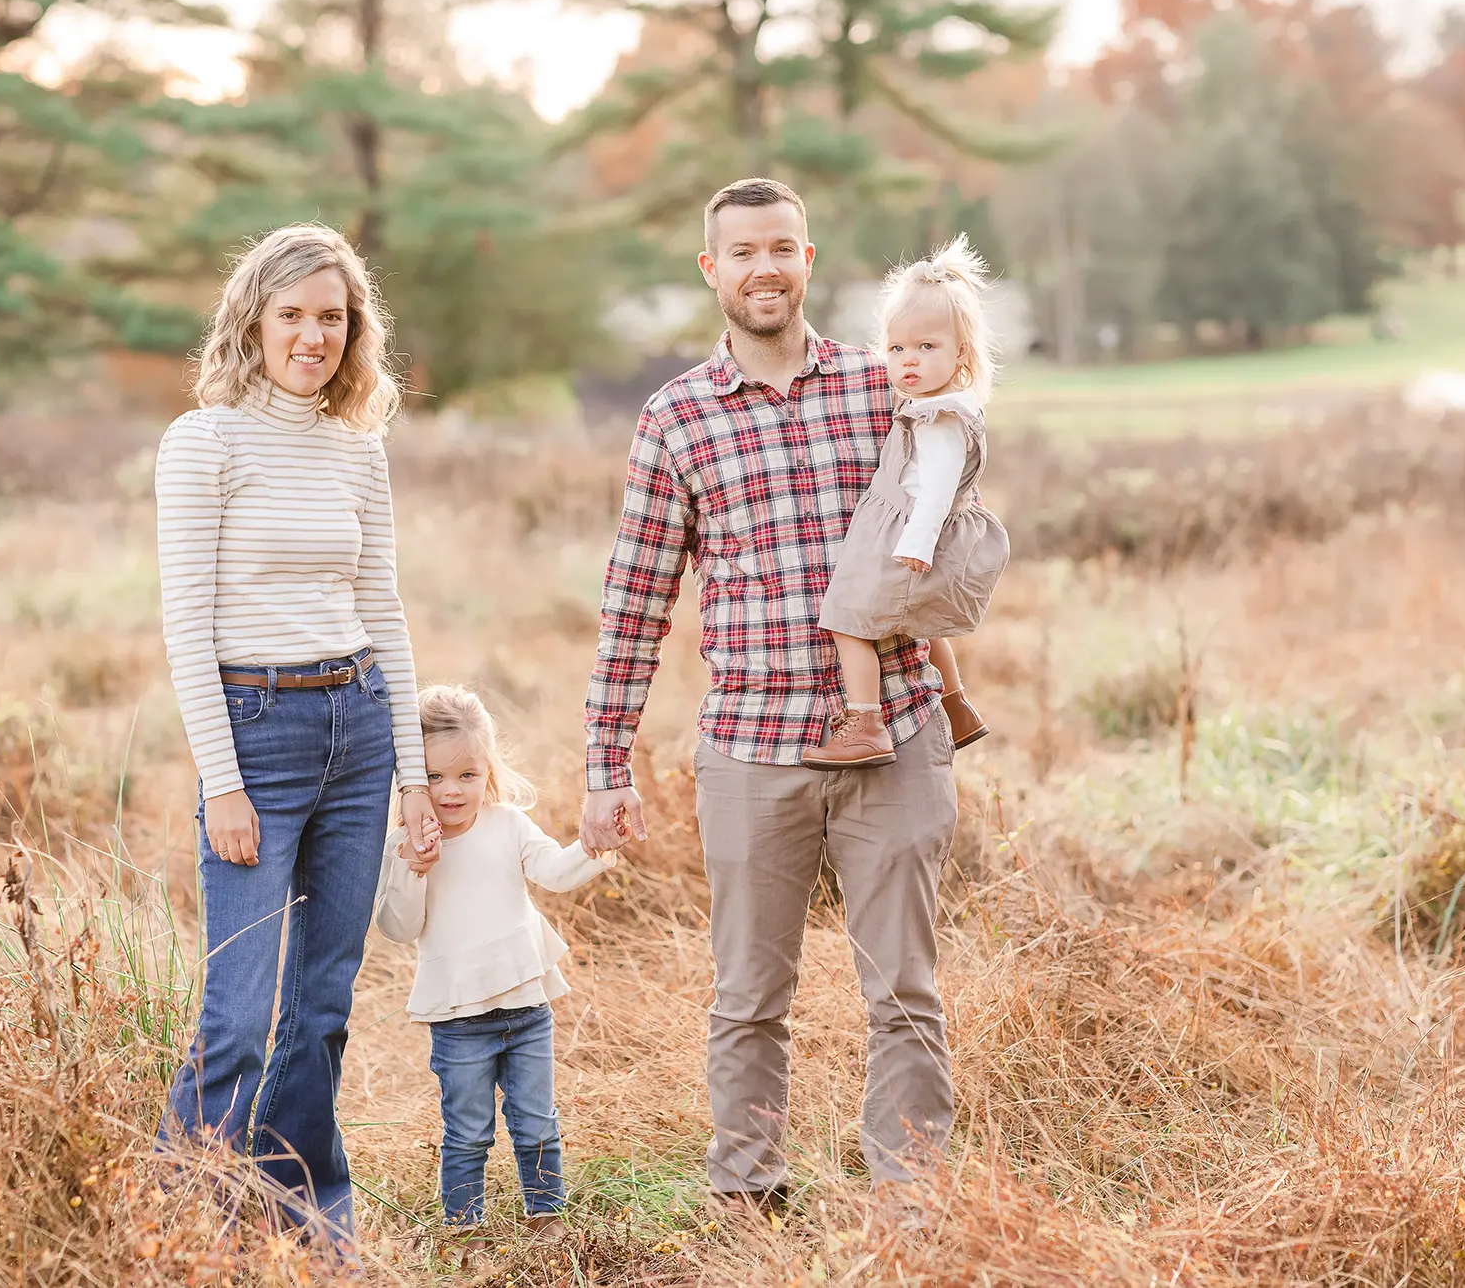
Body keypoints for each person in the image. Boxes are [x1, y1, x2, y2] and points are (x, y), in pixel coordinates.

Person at [579, 178, 958, 1211]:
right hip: (750, 748)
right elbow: (634, 603)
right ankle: (747, 1193)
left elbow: (949, 509)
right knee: (749, 997)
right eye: (741, 251)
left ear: (807, 258)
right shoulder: (675, 419)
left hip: (896, 735)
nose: (763, 268)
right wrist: (604, 760)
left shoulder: (881, 388)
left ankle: (914, 1205)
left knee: (905, 993)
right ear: (711, 270)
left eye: (781, 248)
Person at [153, 222, 439, 1244]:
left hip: (356, 730)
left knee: (321, 1008)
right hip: (257, 733)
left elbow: (384, 607)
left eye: (332, 316)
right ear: (253, 322)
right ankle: (181, 1221)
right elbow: (185, 622)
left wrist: (411, 773)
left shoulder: (357, 448)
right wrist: (221, 781)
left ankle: (303, 1222)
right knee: (234, 1015)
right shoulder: (205, 441)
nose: (312, 336)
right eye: (292, 315)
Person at [375, 684, 618, 1246]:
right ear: (411, 779)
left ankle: (546, 1217)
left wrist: (598, 845)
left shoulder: (507, 824)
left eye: (467, 775)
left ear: (489, 770)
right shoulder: (403, 845)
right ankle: (463, 1229)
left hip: (527, 1008)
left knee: (536, 1121)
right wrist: (414, 867)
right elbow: (397, 928)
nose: (452, 791)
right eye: (434, 778)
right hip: (459, 1021)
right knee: (467, 1131)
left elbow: (555, 872)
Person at [805, 235, 1004, 769]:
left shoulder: (939, 419)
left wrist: (916, 540)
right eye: (897, 349)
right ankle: (956, 705)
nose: (908, 361)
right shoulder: (935, 404)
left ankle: (865, 723)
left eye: (926, 348)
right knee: (916, 626)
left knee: (847, 620)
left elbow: (937, 488)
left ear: (960, 354)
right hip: (903, 530)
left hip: (905, 535)